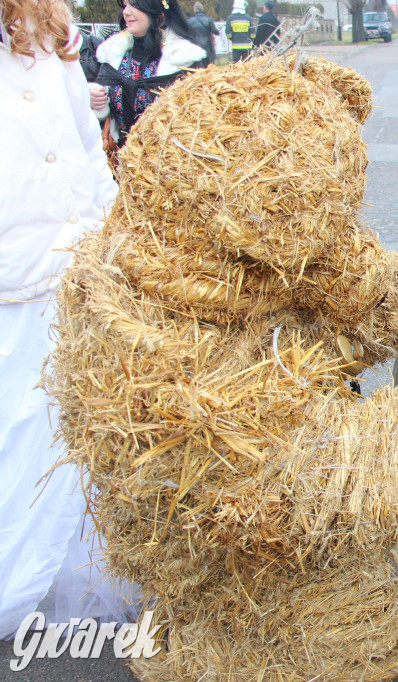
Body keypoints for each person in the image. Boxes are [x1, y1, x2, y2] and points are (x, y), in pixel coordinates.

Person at [0, 0, 135, 639]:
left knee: (79, 431)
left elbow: (86, 153)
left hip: (73, 272)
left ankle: (72, 575)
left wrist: (113, 240)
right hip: (9, 286)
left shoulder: (55, 32)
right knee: (17, 429)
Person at [88, 0, 206, 147]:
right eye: (125, 5)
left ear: (158, 11)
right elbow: (102, 114)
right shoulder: (112, 55)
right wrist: (96, 101)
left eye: (134, 5)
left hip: (164, 161)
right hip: (119, 160)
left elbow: (197, 120)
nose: (126, 12)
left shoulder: (183, 61)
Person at [187, 1, 218, 66]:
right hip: (208, 47)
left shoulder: (190, 21)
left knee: (199, 67)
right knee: (209, 67)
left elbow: (188, 34)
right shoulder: (209, 20)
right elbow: (216, 32)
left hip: (197, 46)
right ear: (202, 9)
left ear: (195, 9)